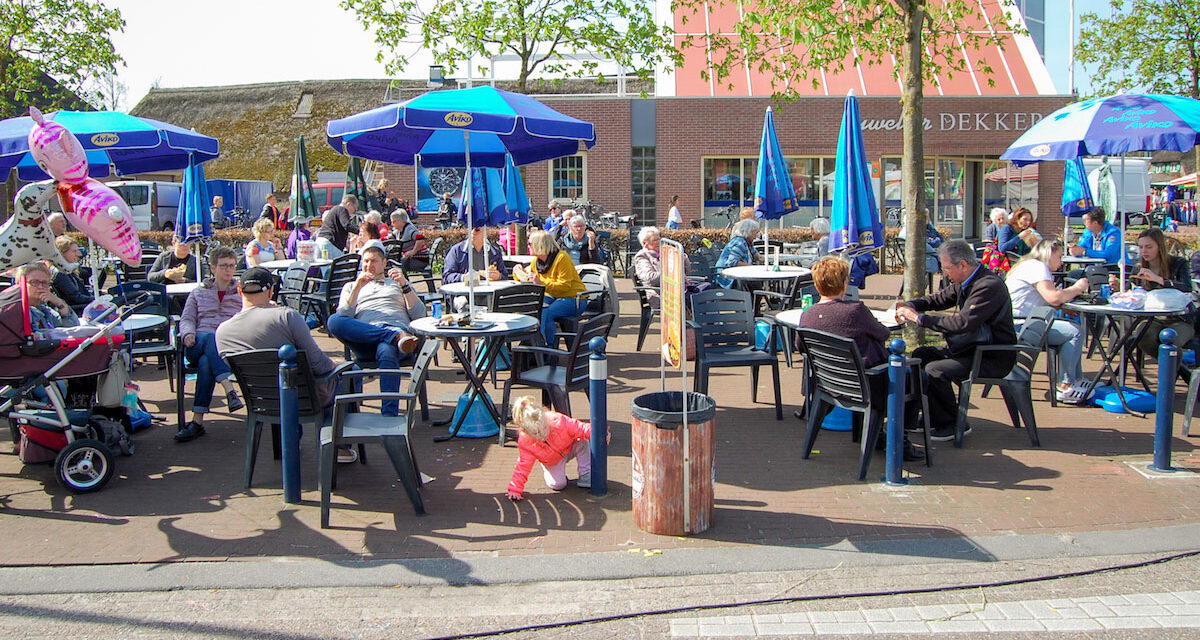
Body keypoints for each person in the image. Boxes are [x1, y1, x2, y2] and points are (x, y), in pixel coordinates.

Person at [215, 267, 357, 463]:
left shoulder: (222, 332)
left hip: (262, 402)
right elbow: (319, 365)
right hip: (305, 399)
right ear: (271, 291)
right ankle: (338, 445)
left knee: (286, 377)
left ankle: (291, 440)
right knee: (350, 372)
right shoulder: (286, 317)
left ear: (239, 290)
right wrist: (337, 363)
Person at [797, 257, 922, 461]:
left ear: (816, 284)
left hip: (829, 383)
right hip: (868, 385)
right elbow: (883, 334)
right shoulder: (855, 311)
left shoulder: (807, 315)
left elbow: (801, 346)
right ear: (844, 283)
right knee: (915, 376)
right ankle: (900, 439)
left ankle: (881, 434)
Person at [895, 239, 1017, 442]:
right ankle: (929, 417)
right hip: (972, 348)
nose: (945, 273)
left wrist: (919, 318)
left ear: (963, 265)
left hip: (991, 355)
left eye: (947, 268)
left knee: (935, 370)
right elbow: (939, 299)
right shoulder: (965, 281)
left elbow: (962, 324)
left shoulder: (988, 286)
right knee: (921, 355)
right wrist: (910, 304)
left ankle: (951, 423)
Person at [326, 245, 424, 417]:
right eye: (365, 261)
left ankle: (389, 416)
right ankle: (393, 337)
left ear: (384, 263)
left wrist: (404, 285)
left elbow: (419, 314)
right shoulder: (351, 286)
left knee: (386, 349)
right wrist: (357, 287)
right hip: (366, 339)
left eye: (373, 261)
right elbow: (344, 316)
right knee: (333, 320)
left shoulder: (396, 283)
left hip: (396, 336)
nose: (368, 265)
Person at [1006, 239, 1092, 404]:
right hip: (1022, 326)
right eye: (1059, 257)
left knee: (1070, 328)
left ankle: (1077, 378)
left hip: (1017, 322)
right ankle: (1066, 385)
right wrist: (1078, 287)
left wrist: (1062, 305)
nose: (1061, 262)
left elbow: (1037, 297)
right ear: (1049, 254)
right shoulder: (1038, 267)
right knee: (1074, 331)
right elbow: (1053, 297)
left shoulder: (1028, 264)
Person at [175, 247, 245, 443]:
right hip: (196, 343)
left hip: (226, 348)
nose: (228, 270)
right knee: (208, 338)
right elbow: (187, 318)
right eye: (223, 266)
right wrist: (188, 333)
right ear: (213, 268)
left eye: (232, 266)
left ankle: (197, 421)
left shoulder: (240, 293)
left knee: (207, 362)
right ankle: (227, 385)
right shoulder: (199, 292)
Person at [1110, 227, 1195, 355]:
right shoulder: (1139, 268)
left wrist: (1159, 279)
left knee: (1171, 340)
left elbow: (1187, 287)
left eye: (1149, 247)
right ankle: (1178, 372)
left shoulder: (1178, 263)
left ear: (1160, 246)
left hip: (1180, 319)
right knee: (1143, 336)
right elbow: (1130, 293)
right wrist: (1118, 287)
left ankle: (1170, 372)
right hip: (1151, 319)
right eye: (1141, 247)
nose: (1144, 251)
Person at [505, 395, 600, 499]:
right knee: (558, 485)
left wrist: (600, 434)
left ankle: (585, 473)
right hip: (552, 460)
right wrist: (515, 490)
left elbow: (580, 427)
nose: (542, 434)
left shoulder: (557, 420)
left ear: (546, 419)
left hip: (569, 447)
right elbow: (522, 466)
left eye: (544, 428)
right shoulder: (526, 442)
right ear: (526, 431)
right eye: (535, 433)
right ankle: (547, 469)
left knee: (582, 441)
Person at [514, 230, 585, 347]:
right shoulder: (537, 262)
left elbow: (564, 286)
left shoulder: (562, 258)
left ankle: (548, 348)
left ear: (540, 244)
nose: (528, 246)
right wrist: (517, 271)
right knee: (535, 308)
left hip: (574, 298)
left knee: (548, 313)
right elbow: (526, 276)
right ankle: (533, 342)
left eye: (530, 243)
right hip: (554, 296)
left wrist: (541, 282)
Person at [20, 263, 78, 333]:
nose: (41, 287)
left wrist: (59, 303)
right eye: (34, 282)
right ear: (20, 284)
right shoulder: (19, 311)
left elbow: (72, 330)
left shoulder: (45, 310)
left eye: (44, 283)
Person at [442, 226, 508, 284]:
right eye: (471, 228)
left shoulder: (495, 252)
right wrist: (464, 278)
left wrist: (499, 276)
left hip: (489, 294)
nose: (473, 232)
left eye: (477, 230)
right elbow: (447, 276)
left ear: (486, 233)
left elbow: (505, 276)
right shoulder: (457, 250)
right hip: (464, 294)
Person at [51, 236, 94, 315]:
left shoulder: (68, 270)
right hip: (77, 312)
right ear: (62, 253)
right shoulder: (61, 274)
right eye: (74, 251)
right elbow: (76, 298)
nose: (78, 254)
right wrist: (97, 299)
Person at [714, 218, 762, 288]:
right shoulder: (739, 243)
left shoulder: (747, 242)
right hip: (728, 277)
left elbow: (756, 255)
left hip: (737, 275)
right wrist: (752, 267)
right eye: (756, 231)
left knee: (757, 282)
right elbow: (732, 262)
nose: (757, 234)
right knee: (756, 284)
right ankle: (751, 298)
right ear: (749, 231)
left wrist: (766, 259)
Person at [315, 194, 358, 259]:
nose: (353, 212)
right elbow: (346, 225)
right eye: (354, 208)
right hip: (330, 243)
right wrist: (360, 231)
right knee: (337, 268)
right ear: (349, 204)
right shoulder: (342, 209)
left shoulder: (334, 209)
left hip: (320, 241)